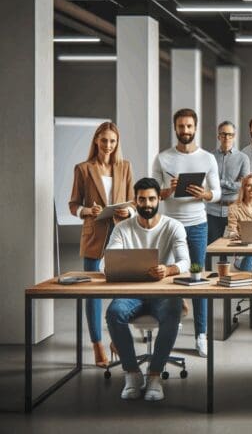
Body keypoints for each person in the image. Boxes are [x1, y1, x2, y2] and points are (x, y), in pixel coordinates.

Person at [105, 178, 189, 402]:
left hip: (162, 292)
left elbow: (185, 262)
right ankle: (132, 373)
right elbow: (109, 261)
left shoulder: (173, 226)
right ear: (135, 201)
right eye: (142, 199)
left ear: (159, 198)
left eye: (152, 198)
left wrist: (169, 269)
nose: (147, 203)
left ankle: (154, 376)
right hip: (132, 292)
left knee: (172, 313)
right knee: (114, 313)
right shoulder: (122, 228)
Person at [152, 108, 221, 358]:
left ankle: (201, 335)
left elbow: (218, 192)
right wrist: (166, 191)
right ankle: (168, 327)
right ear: (175, 128)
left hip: (197, 224)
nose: (185, 131)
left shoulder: (207, 159)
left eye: (189, 126)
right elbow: (154, 194)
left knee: (197, 279)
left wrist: (205, 195)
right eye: (181, 127)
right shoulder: (162, 158)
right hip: (169, 225)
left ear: (196, 127)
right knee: (168, 279)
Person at [68, 122, 135, 367]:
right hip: (94, 234)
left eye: (113, 141)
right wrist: (88, 210)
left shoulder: (125, 166)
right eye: (104, 140)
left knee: (121, 290)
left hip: (121, 234)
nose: (108, 145)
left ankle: (118, 338)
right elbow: (74, 204)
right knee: (93, 292)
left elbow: (134, 202)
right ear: (96, 140)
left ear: (117, 143)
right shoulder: (83, 169)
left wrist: (128, 211)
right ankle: (97, 344)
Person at [206, 121, 250, 246]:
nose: (227, 138)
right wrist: (232, 186)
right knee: (210, 248)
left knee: (230, 247)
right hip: (212, 210)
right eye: (224, 134)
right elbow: (208, 183)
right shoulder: (210, 157)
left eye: (230, 134)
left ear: (234, 136)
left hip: (233, 211)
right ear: (218, 136)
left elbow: (243, 185)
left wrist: (220, 183)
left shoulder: (243, 158)